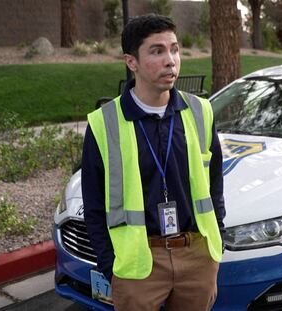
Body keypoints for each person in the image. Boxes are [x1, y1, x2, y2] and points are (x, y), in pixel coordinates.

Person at [82, 13, 225, 311]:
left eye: (174, 49)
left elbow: (214, 186)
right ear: (131, 62)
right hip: (137, 265)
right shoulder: (104, 123)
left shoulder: (200, 111)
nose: (170, 60)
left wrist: (216, 245)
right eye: (157, 51)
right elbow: (94, 205)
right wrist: (110, 265)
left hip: (196, 256)